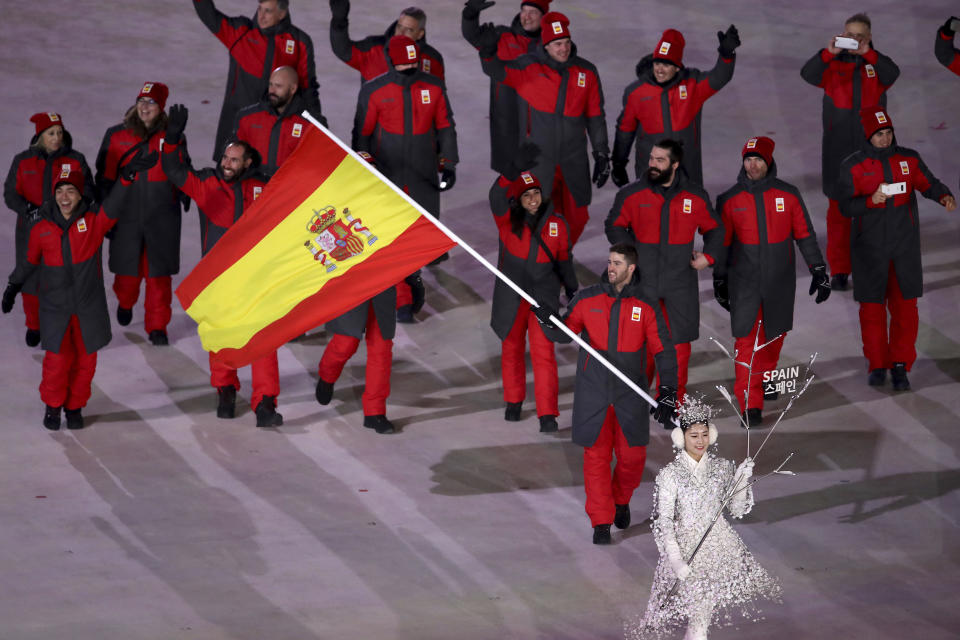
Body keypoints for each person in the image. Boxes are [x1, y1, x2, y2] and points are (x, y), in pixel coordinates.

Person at [2, 150, 155, 430]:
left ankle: (74, 407)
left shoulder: (93, 222)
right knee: (57, 363)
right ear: (54, 194)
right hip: (56, 309)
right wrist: (14, 285)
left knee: (85, 364)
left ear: (79, 194)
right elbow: (28, 261)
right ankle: (52, 406)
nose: (65, 197)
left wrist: (127, 176)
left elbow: (114, 206)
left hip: (88, 308)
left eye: (71, 190)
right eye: (60, 190)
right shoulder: (41, 228)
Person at [540, 243, 677, 544]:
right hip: (595, 393)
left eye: (617, 263)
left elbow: (663, 350)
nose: (610, 267)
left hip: (631, 394)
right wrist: (548, 322)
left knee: (632, 458)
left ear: (631, 269)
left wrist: (668, 390)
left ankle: (620, 499)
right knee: (596, 458)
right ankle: (600, 521)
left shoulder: (647, 304)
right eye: (609, 261)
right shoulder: (588, 299)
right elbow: (565, 332)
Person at [161, 104, 284, 428]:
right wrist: (172, 138)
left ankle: (265, 402)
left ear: (247, 163)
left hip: (257, 277)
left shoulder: (264, 186)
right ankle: (225, 390)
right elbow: (174, 170)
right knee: (220, 334)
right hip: (218, 278)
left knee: (263, 338)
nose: (226, 164)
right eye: (224, 159)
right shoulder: (208, 184)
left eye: (233, 160)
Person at [627, 397, 781, 640]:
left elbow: (736, 509)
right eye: (694, 435)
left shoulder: (722, 468)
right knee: (699, 617)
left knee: (701, 617)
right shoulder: (670, 475)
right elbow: (664, 521)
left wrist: (741, 480)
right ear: (681, 437)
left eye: (704, 434)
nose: (700, 441)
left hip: (718, 547)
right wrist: (676, 559)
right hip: (687, 548)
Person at [837, 106, 956, 391]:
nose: (885, 138)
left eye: (888, 132)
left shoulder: (908, 159)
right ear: (868, 136)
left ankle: (901, 365)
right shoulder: (852, 166)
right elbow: (844, 206)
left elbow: (928, 182)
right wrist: (870, 201)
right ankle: (878, 365)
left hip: (904, 250)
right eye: (879, 134)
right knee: (872, 311)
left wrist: (943, 195)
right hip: (869, 252)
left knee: (905, 310)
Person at [714, 136, 830, 426]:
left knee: (775, 336)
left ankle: (766, 378)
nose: (752, 165)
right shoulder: (729, 200)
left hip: (779, 283)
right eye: (748, 159)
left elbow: (804, 233)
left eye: (758, 160)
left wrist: (818, 268)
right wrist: (719, 280)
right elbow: (721, 244)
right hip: (745, 284)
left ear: (769, 162)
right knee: (746, 342)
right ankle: (750, 405)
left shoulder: (788, 195)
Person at [605, 139, 723, 402]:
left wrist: (709, 257)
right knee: (640, 343)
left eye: (660, 160)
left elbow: (715, 230)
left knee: (678, 346)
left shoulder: (694, 196)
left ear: (675, 164)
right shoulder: (632, 194)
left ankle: (671, 401)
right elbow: (614, 225)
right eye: (651, 159)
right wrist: (630, 256)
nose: (653, 165)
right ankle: (636, 396)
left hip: (679, 283)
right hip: (642, 282)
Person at [480, 11, 609, 244]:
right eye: (558, 44)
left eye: (567, 42)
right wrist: (488, 53)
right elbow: (497, 71)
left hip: (574, 159)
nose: (564, 48)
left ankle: (563, 253)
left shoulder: (586, 72)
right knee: (536, 216)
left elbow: (596, 115)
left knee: (577, 215)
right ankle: (543, 264)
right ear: (546, 45)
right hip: (539, 160)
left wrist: (601, 153)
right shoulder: (528, 67)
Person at [353, 35, 458, 302]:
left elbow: (445, 126)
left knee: (420, 230)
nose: (410, 71)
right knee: (391, 234)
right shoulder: (374, 91)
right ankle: (400, 295)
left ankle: (412, 282)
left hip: (423, 174)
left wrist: (449, 164)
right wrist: (363, 165)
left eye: (413, 65)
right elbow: (361, 134)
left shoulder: (433, 87)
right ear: (391, 62)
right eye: (404, 66)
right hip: (388, 174)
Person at [801, 12, 899, 292]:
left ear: (868, 38)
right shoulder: (832, 65)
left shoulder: (878, 67)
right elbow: (808, 74)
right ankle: (841, 269)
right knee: (839, 213)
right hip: (838, 152)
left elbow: (893, 73)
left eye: (859, 35)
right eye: (849, 34)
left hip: (873, 153)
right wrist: (827, 53)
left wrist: (870, 54)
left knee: (875, 211)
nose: (854, 40)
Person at [489, 143, 577, 433]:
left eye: (536, 192)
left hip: (543, 297)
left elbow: (564, 260)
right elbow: (495, 195)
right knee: (512, 348)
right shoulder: (506, 221)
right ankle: (513, 401)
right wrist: (510, 171)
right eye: (526, 195)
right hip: (512, 296)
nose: (532, 199)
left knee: (543, 353)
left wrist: (572, 289)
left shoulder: (557, 224)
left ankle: (547, 413)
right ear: (518, 199)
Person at [96, 82, 186, 346]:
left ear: (161, 108)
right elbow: (104, 177)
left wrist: (186, 191)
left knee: (159, 278)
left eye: (152, 103)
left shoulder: (173, 136)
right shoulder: (116, 135)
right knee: (127, 274)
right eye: (141, 101)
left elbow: (182, 170)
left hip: (162, 219)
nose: (145, 107)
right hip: (126, 218)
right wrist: (105, 212)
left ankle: (158, 326)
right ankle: (126, 302)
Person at [5, 112, 94, 348]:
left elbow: (89, 194)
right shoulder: (22, 161)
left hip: (65, 233)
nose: (57, 138)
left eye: (60, 133)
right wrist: (27, 210)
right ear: (40, 136)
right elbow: (10, 193)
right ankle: (34, 325)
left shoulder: (75, 160)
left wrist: (73, 212)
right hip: (31, 233)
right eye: (51, 133)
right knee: (31, 282)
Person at [611, 26, 739, 188]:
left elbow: (719, 77)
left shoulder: (693, 86)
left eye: (666, 65)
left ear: (677, 67)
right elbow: (625, 130)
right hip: (651, 173)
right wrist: (618, 164)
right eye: (657, 63)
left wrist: (727, 56)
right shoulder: (636, 93)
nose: (659, 70)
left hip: (686, 171)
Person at [194, 0, 320, 160]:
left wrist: (317, 127)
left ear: (282, 13)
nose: (261, 16)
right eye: (259, 9)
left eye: (268, 11)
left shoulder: (299, 42)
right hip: (238, 128)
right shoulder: (241, 32)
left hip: (276, 132)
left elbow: (308, 88)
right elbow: (209, 15)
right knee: (229, 178)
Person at [461, 0, 550, 174]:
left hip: (538, 123)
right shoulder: (501, 36)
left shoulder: (549, 46)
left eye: (533, 12)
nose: (526, 17)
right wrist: (470, 15)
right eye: (524, 11)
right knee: (509, 174)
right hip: (506, 120)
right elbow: (472, 35)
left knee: (540, 175)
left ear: (543, 17)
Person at [232, 66, 326, 177]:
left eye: (278, 86)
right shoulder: (246, 118)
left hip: (290, 190)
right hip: (254, 190)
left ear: (293, 89)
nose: (272, 90)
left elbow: (319, 165)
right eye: (270, 84)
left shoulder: (312, 124)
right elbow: (231, 157)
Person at [329, 2, 444, 82]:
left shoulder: (433, 59)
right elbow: (343, 50)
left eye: (409, 30)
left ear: (420, 34)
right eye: (399, 27)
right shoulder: (373, 49)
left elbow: (439, 100)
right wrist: (339, 21)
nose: (401, 33)